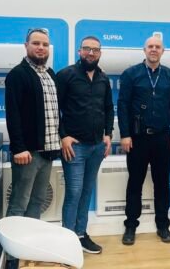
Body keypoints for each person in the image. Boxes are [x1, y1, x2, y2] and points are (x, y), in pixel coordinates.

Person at [4, 28, 61, 269]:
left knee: (37, 201)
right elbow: (13, 114)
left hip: (48, 150)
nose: (41, 48)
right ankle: (11, 257)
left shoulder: (50, 74)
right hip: (27, 153)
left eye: (45, 44)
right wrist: (18, 147)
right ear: (26, 45)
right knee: (19, 203)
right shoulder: (18, 75)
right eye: (36, 43)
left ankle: (28, 248)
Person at [118, 36, 170, 245]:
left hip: (163, 137)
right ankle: (130, 225)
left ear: (163, 51)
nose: (154, 50)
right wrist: (125, 134)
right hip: (137, 139)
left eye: (158, 47)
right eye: (150, 47)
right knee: (134, 183)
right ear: (144, 50)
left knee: (162, 183)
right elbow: (123, 105)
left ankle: (163, 225)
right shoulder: (131, 74)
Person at [56, 36, 114, 254]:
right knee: (74, 192)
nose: (91, 53)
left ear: (100, 53)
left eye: (95, 50)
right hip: (75, 146)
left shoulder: (103, 78)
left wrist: (108, 134)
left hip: (97, 146)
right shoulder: (66, 75)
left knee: (87, 191)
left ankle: (80, 234)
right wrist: (63, 136)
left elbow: (108, 108)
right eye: (87, 49)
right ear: (80, 51)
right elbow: (54, 108)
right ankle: (66, 239)